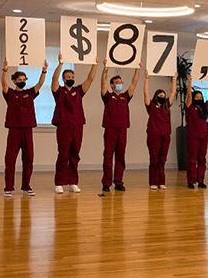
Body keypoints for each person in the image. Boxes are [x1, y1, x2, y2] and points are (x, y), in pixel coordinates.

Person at [51, 54, 98, 194]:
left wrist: (94, 64)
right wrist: (60, 64)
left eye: (72, 77)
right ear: (63, 79)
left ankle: (73, 182)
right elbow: (53, 79)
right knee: (63, 154)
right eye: (68, 77)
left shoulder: (79, 90)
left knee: (75, 154)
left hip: (77, 125)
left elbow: (90, 79)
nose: (71, 79)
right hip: (64, 126)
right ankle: (59, 182)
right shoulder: (58, 91)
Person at [1, 58, 48, 197]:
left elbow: (40, 84)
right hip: (14, 130)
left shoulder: (29, 93)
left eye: (24, 79)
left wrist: (44, 70)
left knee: (28, 159)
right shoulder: (10, 94)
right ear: (14, 81)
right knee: (10, 160)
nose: (22, 81)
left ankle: (26, 186)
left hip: (28, 130)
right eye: (19, 79)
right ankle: (8, 187)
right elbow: (3, 84)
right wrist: (5, 71)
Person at [100, 60, 141, 193]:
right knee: (108, 156)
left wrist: (137, 69)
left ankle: (118, 182)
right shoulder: (107, 96)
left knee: (120, 156)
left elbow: (134, 83)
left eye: (121, 83)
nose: (120, 85)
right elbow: (103, 83)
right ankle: (106, 183)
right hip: (110, 129)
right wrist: (105, 70)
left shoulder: (125, 96)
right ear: (112, 85)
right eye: (117, 83)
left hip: (122, 130)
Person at [143, 70, 177, 190]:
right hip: (154, 135)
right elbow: (145, 93)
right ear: (156, 97)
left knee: (162, 159)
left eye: (164, 96)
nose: (163, 97)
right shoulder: (151, 106)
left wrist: (174, 79)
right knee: (154, 159)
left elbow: (173, 92)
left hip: (165, 135)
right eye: (160, 96)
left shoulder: (166, 106)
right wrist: (147, 79)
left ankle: (161, 181)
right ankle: (153, 182)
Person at [186, 75, 208, 189]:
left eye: (201, 97)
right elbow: (189, 95)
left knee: (202, 159)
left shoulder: (205, 107)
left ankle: (200, 180)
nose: (199, 99)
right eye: (197, 97)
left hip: (204, 137)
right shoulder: (190, 107)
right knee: (192, 159)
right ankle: (191, 181)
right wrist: (190, 82)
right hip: (193, 137)